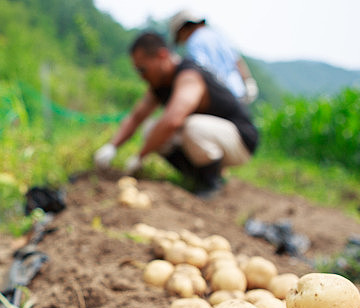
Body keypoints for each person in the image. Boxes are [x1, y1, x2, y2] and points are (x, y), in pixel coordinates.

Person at [93, 32, 258, 197]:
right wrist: (111, 147)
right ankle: (196, 177)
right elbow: (137, 117)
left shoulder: (189, 76)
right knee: (151, 129)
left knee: (192, 126)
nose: (141, 76)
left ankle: (212, 182)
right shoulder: (160, 85)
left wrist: (139, 156)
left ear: (162, 55)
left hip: (240, 141)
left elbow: (172, 120)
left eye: (143, 69)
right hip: (213, 139)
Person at [169, 10, 258, 104]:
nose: (182, 41)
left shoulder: (194, 42)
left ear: (183, 30)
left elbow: (202, 70)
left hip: (220, 96)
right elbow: (237, 60)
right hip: (238, 93)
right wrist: (248, 82)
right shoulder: (217, 35)